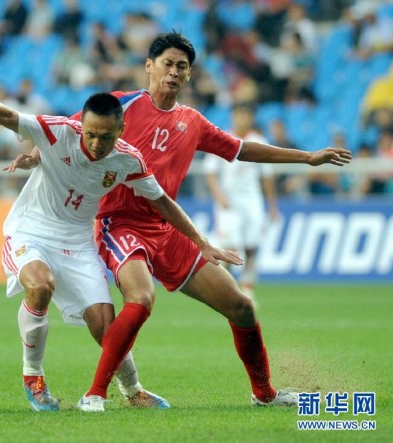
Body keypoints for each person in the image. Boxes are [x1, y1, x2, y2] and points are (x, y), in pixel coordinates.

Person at [65, 32, 351, 412]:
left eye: (181, 67)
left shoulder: (192, 121)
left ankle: (264, 393)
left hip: (168, 229)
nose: (173, 72)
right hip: (119, 224)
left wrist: (307, 157)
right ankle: (95, 394)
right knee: (141, 298)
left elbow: (242, 149)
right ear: (149, 65)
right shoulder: (121, 106)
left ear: (190, 75)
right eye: (167, 63)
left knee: (241, 305)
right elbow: (67, 131)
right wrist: (34, 153)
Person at [0, 92, 243, 412]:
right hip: (31, 231)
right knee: (40, 286)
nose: (97, 143)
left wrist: (201, 242)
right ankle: (34, 378)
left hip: (78, 242)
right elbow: (7, 116)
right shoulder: (58, 131)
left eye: (106, 137)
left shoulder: (128, 159)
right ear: (81, 125)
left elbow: (162, 202)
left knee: (105, 325)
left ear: (122, 130)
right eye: (91, 134)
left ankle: (133, 390)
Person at [204, 104, 278, 300]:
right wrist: (219, 196)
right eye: (238, 115)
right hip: (229, 203)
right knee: (230, 247)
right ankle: (227, 290)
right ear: (233, 117)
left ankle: (248, 286)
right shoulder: (222, 138)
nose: (241, 119)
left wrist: (272, 205)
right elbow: (210, 172)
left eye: (245, 115)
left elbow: (267, 176)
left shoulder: (259, 141)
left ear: (251, 118)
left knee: (252, 247)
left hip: (253, 201)